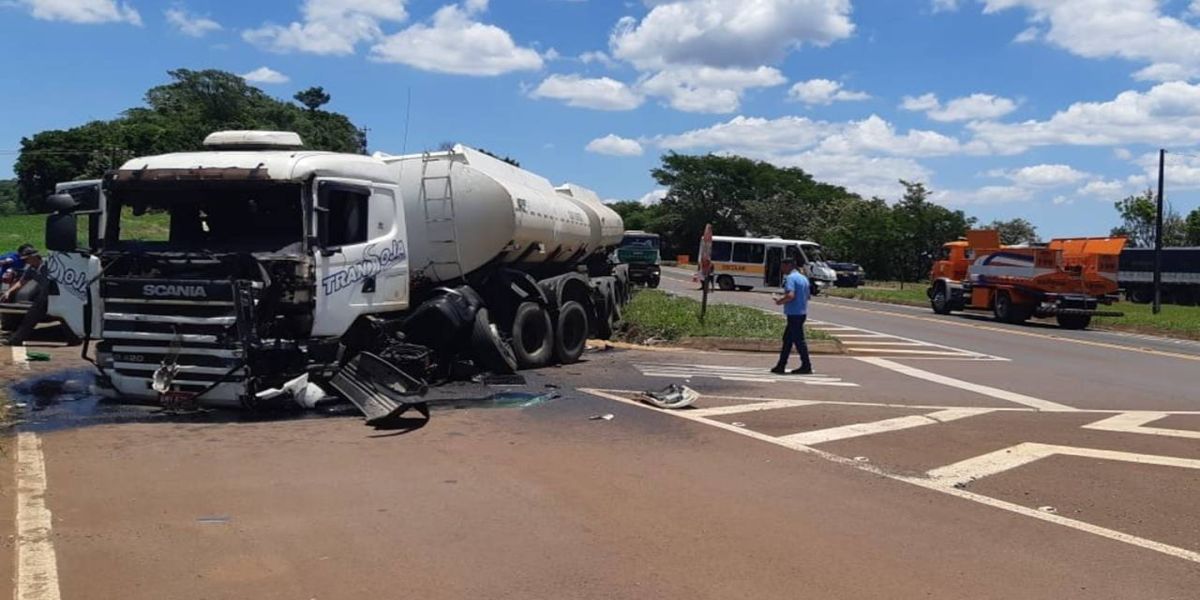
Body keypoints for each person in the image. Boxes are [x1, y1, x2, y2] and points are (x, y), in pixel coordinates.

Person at [0, 245, 50, 346]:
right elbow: (22, 282)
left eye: (27, 259)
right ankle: (74, 339)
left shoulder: (49, 265)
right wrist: (9, 291)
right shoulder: (31, 269)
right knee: (32, 317)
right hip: (44, 296)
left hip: (53, 295)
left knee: (30, 318)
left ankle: (16, 340)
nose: (25, 262)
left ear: (34, 257)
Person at [771, 257, 813, 375]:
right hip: (801, 312)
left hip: (794, 313)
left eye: (783, 266)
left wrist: (779, 301)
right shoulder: (803, 278)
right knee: (787, 340)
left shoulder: (790, 278)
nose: (781, 268)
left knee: (799, 341)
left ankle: (806, 365)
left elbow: (790, 295)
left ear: (789, 265)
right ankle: (781, 365)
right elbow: (808, 296)